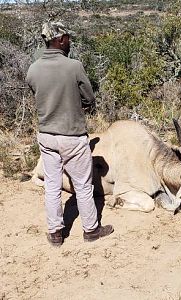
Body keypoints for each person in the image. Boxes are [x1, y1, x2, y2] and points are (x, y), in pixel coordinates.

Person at [26, 21, 114, 246]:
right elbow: (89, 99)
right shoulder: (73, 66)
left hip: (46, 136)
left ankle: (56, 234)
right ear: (60, 39)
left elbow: (37, 93)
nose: (70, 41)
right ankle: (91, 230)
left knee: (52, 186)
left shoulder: (33, 69)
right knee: (83, 186)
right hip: (72, 136)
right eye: (68, 37)